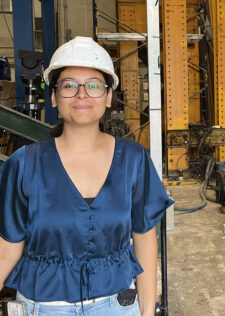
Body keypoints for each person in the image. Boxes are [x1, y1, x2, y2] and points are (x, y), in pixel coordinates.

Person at [0, 36, 173, 316]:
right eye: (69, 85)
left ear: (108, 97)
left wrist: (147, 311)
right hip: (44, 307)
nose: (81, 94)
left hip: (118, 305)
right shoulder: (24, 165)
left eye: (93, 85)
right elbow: (8, 248)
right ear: (54, 97)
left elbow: (144, 240)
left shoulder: (133, 160)